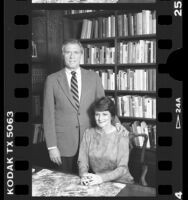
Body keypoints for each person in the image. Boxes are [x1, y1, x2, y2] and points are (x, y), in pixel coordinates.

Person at [43, 39, 128, 174]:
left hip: (91, 142)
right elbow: (48, 116)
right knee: (64, 185)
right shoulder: (52, 79)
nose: (72, 56)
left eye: (75, 52)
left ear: (81, 54)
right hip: (63, 145)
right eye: (68, 52)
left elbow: (104, 105)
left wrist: (117, 123)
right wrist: (52, 147)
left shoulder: (93, 77)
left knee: (89, 185)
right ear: (63, 54)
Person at [78, 96, 134, 185]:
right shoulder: (88, 133)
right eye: (97, 114)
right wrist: (84, 174)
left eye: (104, 114)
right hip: (97, 181)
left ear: (112, 116)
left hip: (121, 182)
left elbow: (122, 168)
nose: (100, 118)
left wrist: (101, 178)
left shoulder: (121, 135)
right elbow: (82, 160)